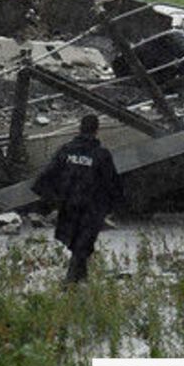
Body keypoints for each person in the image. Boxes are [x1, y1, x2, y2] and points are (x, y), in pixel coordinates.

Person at [32, 114, 124, 284]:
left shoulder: (66, 151)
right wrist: (115, 206)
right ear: (97, 130)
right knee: (82, 245)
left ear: (79, 128)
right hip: (91, 208)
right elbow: (112, 182)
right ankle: (70, 281)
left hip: (68, 206)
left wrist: (51, 200)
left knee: (77, 244)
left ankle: (81, 281)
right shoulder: (101, 154)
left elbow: (45, 177)